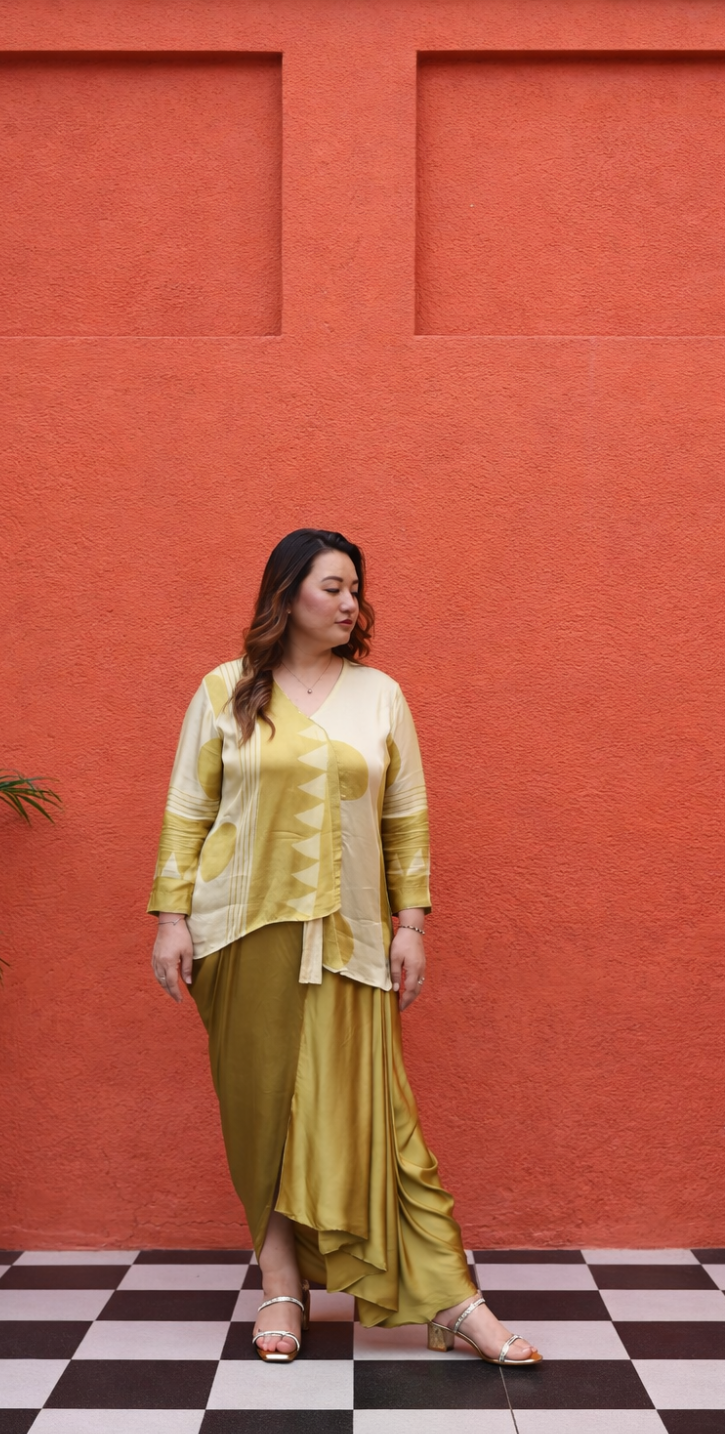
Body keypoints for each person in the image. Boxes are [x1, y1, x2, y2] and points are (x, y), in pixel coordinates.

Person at [149, 528, 541, 1366]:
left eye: (356, 589)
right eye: (333, 586)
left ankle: (452, 1298)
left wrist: (411, 925)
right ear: (287, 592)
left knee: (381, 1122)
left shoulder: (380, 696)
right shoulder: (224, 690)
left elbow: (406, 817)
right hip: (241, 932)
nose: (350, 603)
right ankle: (280, 1285)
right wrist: (172, 918)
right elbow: (189, 809)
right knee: (263, 1118)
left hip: (351, 939)